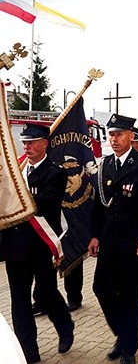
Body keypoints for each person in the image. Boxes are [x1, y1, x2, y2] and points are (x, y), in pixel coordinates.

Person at [88, 114, 138, 364]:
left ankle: (129, 348)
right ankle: (122, 334)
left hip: (134, 244)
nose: (114, 139)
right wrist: (94, 235)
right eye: (111, 134)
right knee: (101, 288)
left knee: (131, 293)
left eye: (119, 134)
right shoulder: (105, 165)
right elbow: (98, 205)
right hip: (109, 241)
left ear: (131, 136)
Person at [0, 123, 74, 364]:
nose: (27, 146)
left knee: (45, 293)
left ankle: (65, 326)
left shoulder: (56, 173)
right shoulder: (17, 172)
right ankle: (29, 352)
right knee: (19, 301)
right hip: (15, 247)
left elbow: (44, 204)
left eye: (32, 142)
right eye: (24, 142)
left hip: (41, 246)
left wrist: (15, 190)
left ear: (45, 143)